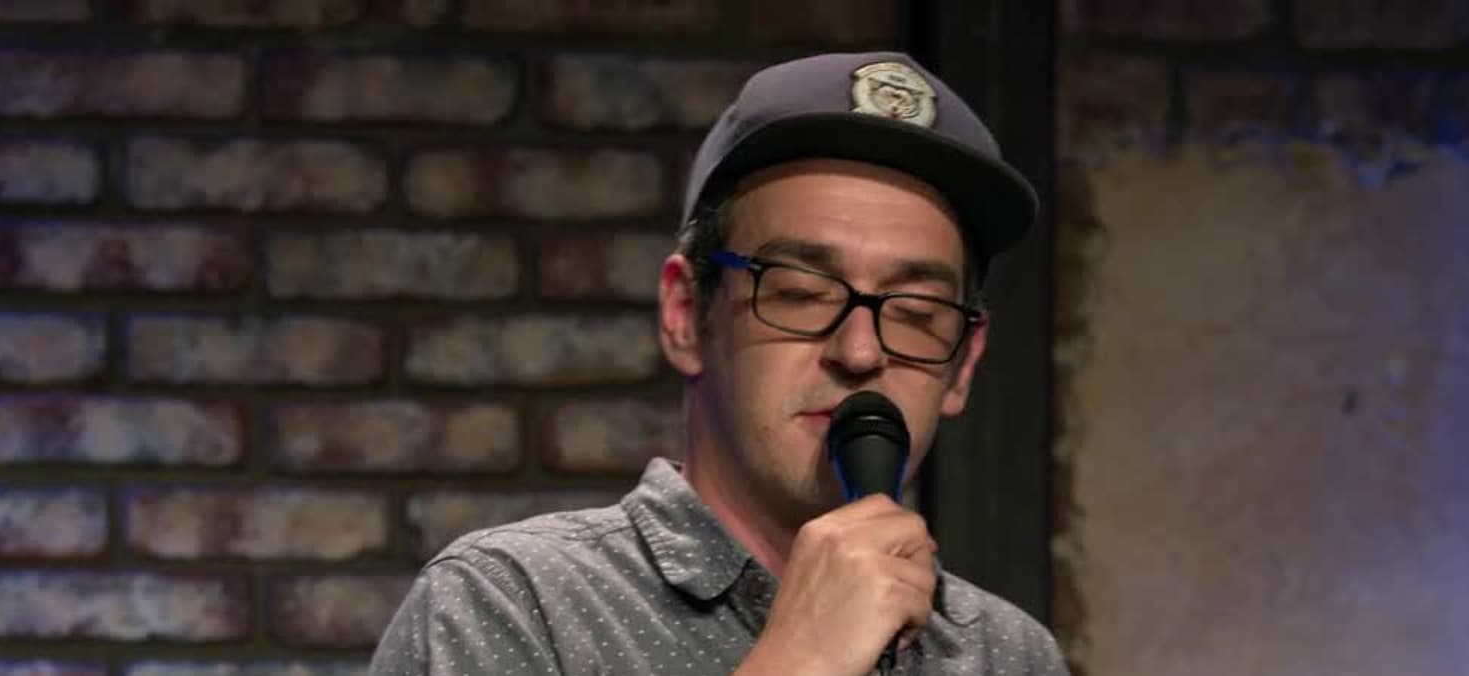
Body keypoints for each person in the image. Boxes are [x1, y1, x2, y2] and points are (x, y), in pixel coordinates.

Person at [369, 51, 1070, 676]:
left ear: (964, 364)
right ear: (685, 314)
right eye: (800, 293)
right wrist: (804, 660)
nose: (860, 352)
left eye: (917, 312)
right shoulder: (509, 603)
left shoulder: (1007, 654)